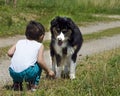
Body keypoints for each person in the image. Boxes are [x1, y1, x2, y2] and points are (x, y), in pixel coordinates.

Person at [7, 21, 55, 91]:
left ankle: (17, 84)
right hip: (27, 73)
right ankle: (34, 85)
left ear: (26, 34)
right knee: (39, 64)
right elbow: (40, 61)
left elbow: (9, 53)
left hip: (12, 73)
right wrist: (49, 71)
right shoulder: (39, 45)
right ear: (42, 36)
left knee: (29, 64)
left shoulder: (20, 42)